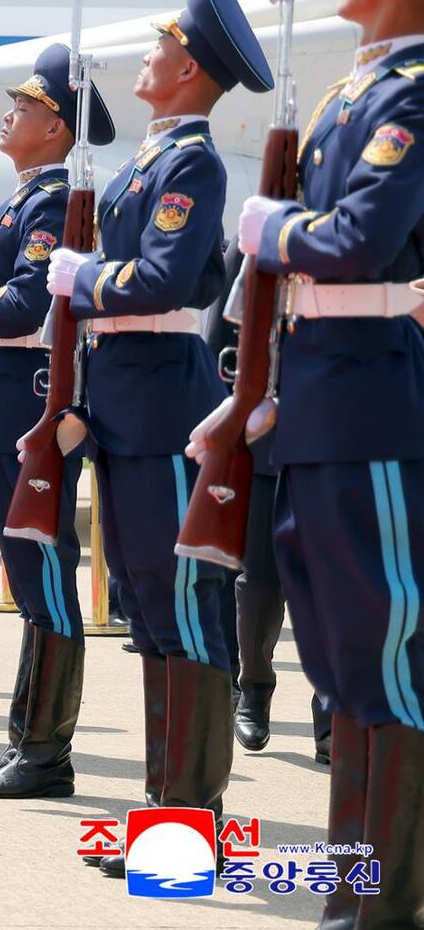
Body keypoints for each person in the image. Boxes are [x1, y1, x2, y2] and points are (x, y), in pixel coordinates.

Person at [227, 0, 424, 924]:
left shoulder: (413, 102)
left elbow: (359, 241)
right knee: (344, 660)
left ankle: (385, 903)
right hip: (319, 400)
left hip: (376, 402)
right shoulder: (361, 94)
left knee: (386, 653)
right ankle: (356, 887)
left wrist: (270, 227)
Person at [50, 0, 269, 879]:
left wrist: (84, 278)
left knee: (186, 613)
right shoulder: (153, 158)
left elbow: (166, 279)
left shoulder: (191, 163)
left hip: (163, 409)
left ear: (188, 70)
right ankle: (163, 816)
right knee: (148, 615)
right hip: (126, 407)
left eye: (161, 46)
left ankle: (191, 827)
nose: (146, 57)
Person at [0, 45, 113, 797]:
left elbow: (23, 304)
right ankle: (29, 743)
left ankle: (44, 751)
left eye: (25, 107)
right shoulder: (22, 200)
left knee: (43, 570)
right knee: (28, 571)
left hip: (29, 402)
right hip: (6, 400)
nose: (8, 117)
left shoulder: (49, 204)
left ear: (56, 128)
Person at [197, 243, 331, 765]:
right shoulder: (259, 237)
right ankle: (252, 691)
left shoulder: (357, 230)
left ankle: (332, 716)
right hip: (264, 436)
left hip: (340, 429)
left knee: (333, 584)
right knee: (258, 580)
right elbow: (221, 342)